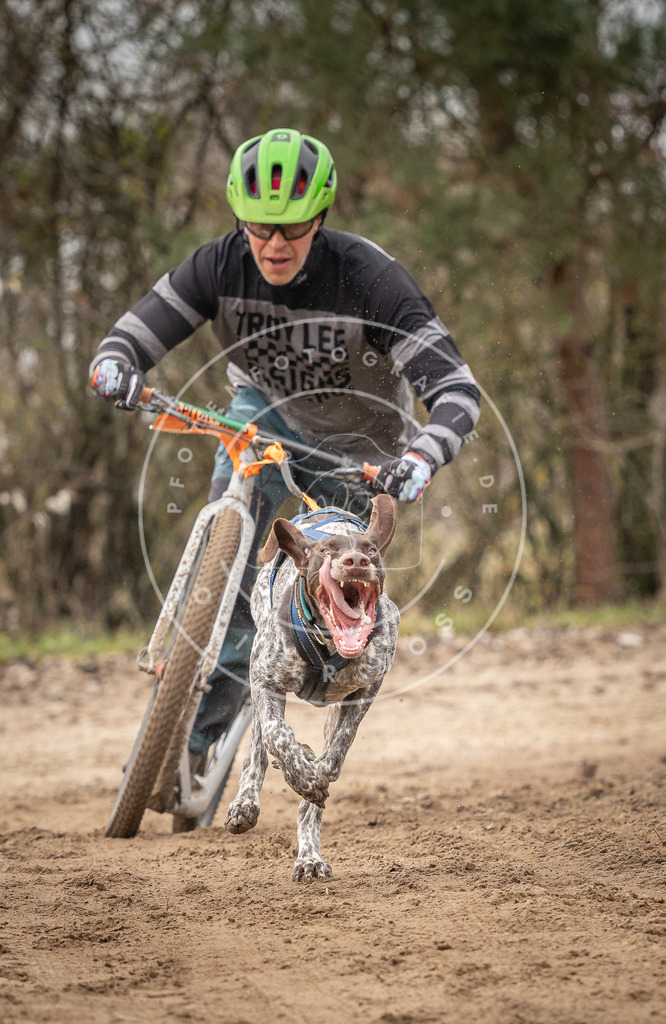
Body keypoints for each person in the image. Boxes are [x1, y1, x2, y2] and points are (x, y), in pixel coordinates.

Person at [89, 128, 480, 758]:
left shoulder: (370, 278)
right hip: (264, 415)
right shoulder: (218, 265)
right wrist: (116, 361)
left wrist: (422, 456)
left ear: (320, 219)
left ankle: (224, 718)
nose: (273, 244)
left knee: (305, 604)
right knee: (237, 556)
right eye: (258, 226)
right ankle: (187, 695)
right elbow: (135, 333)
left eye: (292, 228)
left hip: (362, 454)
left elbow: (457, 389)